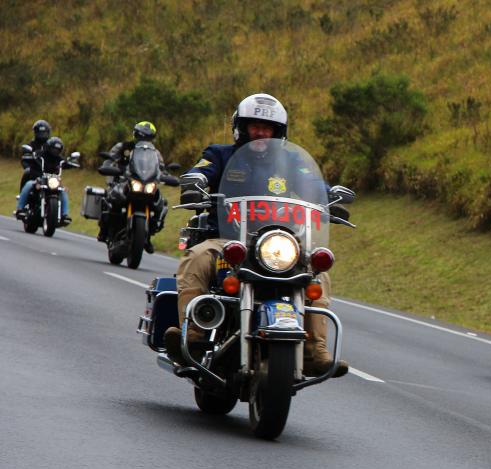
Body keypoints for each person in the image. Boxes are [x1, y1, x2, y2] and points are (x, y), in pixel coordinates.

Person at [163, 93, 348, 377]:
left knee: (318, 273)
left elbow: (312, 183)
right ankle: (194, 336)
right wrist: (196, 180)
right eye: (255, 126)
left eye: (268, 127)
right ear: (241, 127)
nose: (261, 132)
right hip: (227, 238)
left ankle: (314, 350)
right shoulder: (219, 154)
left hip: (277, 244)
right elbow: (200, 170)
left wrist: (329, 194)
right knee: (198, 257)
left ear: (278, 132)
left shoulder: (290, 161)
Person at [97, 121, 167, 251]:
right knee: (110, 196)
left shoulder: (154, 153)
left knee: (161, 202)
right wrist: (108, 166)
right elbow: (111, 158)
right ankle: (104, 230)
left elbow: (161, 167)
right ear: (135, 135)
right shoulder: (123, 146)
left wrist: (165, 175)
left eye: (147, 137)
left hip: (145, 182)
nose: (144, 140)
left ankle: (148, 235)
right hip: (124, 180)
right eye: (141, 136)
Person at [15, 136, 72, 225]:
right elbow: (31, 156)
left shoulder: (60, 159)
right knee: (28, 185)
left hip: (53, 181)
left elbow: (66, 163)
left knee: (63, 191)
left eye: (57, 150)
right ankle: (20, 209)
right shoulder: (39, 154)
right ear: (48, 147)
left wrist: (71, 162)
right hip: (39, 179)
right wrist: (30, 156)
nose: (55, 151)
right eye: (53, 149)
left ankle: (65, 215)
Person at [20, 120, 52, 191]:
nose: (43, 135)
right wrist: (29, 168)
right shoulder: (31, 145)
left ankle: (64, 202)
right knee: (27, 173)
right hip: (35, 173)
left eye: (45, 132)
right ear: (35, 132)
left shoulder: (51, 146)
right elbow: (24, 159)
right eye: (41, 133)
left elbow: (58, 157)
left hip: (50, 174)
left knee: (61, 190)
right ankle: (22, 197)